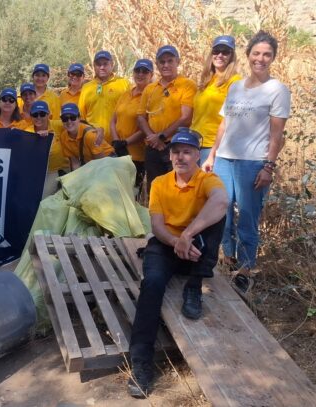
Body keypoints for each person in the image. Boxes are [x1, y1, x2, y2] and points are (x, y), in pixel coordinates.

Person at [127, 129, 228, 398]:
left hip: (194, 247)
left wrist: (188, 235)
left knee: (219, 217)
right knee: (152, 285)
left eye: (187, 151)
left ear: (197, 155)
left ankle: (194, 285)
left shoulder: (208, 179)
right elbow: (157, 227)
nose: (180, 157)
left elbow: (221, 200)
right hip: (167, 245)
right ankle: (141, 363)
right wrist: (176, 241)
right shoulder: (159, 183)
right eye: (175, 151)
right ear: (170, 155)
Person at [202, 31, 291, 291]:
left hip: (252, 162)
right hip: (225, 160)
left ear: (273, 58)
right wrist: (212, 154)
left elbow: (277, 134)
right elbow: (224, 123)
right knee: (222, 214)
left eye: (267, 54)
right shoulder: (236, 86)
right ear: (248, 55)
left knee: (248, 218)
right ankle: (229, 259)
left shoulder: (277, 90)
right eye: (256, 53)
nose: (260, 59)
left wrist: (268, 166)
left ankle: (246, 268)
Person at [137, 45, 197, 195]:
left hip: (176, 146)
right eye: (162, 62)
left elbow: (185, 117)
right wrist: (153, 138)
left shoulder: (187, 85)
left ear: (178, 61)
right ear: (157, 64)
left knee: (178, 190)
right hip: (153, 147)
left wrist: (161, 136)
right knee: (155, 190)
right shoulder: (150, 89)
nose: (166, 65)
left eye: (170, 61)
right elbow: (141, 117)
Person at [192, 36, 241, 163]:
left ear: (232, 56)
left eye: (225, 52)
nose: (220, 55)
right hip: (195, 143)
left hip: (213, 146)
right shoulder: (207, 80)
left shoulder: (235, 81)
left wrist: (213, 153)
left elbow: (232, 119)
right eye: (216, 51)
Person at [110, 59, 153, 191]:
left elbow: (147, 127)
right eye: (137, 71)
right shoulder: (126, 94)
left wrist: (125, 143)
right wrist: (117, 142)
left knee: (133, 193)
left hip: (136, 154)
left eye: (145, 71)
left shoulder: (151, 95)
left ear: (151, 75)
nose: (140, 74)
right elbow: (113, 120)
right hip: (118, 151)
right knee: (116, 191)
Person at [78, 50, 130, 137]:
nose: (102, 67)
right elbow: (81, 117)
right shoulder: (86, 88)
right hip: (93, 141)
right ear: (94, 66)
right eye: (98, 64)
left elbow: (130, 113)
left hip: (118, 140)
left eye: (105, 64)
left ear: (112, 64)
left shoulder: (124, 84)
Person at [55, 104, 114, 170]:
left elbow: (101, 163)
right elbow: (75, 162)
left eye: (73, 118)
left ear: (79, 118)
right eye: (65, 119)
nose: (69, 121)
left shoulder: (90, 135)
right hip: (90, 164)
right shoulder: (64, 137)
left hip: (108, 160)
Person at [29, 101, 68, 198]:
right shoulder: (27, 132)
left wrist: (98, 129)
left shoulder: (57, 125)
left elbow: (77, 123)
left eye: (42, 114)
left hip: (59, 169)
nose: (38, 117)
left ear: (48, 114)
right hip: (40, 172)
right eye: (35, 114)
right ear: (31, 116)